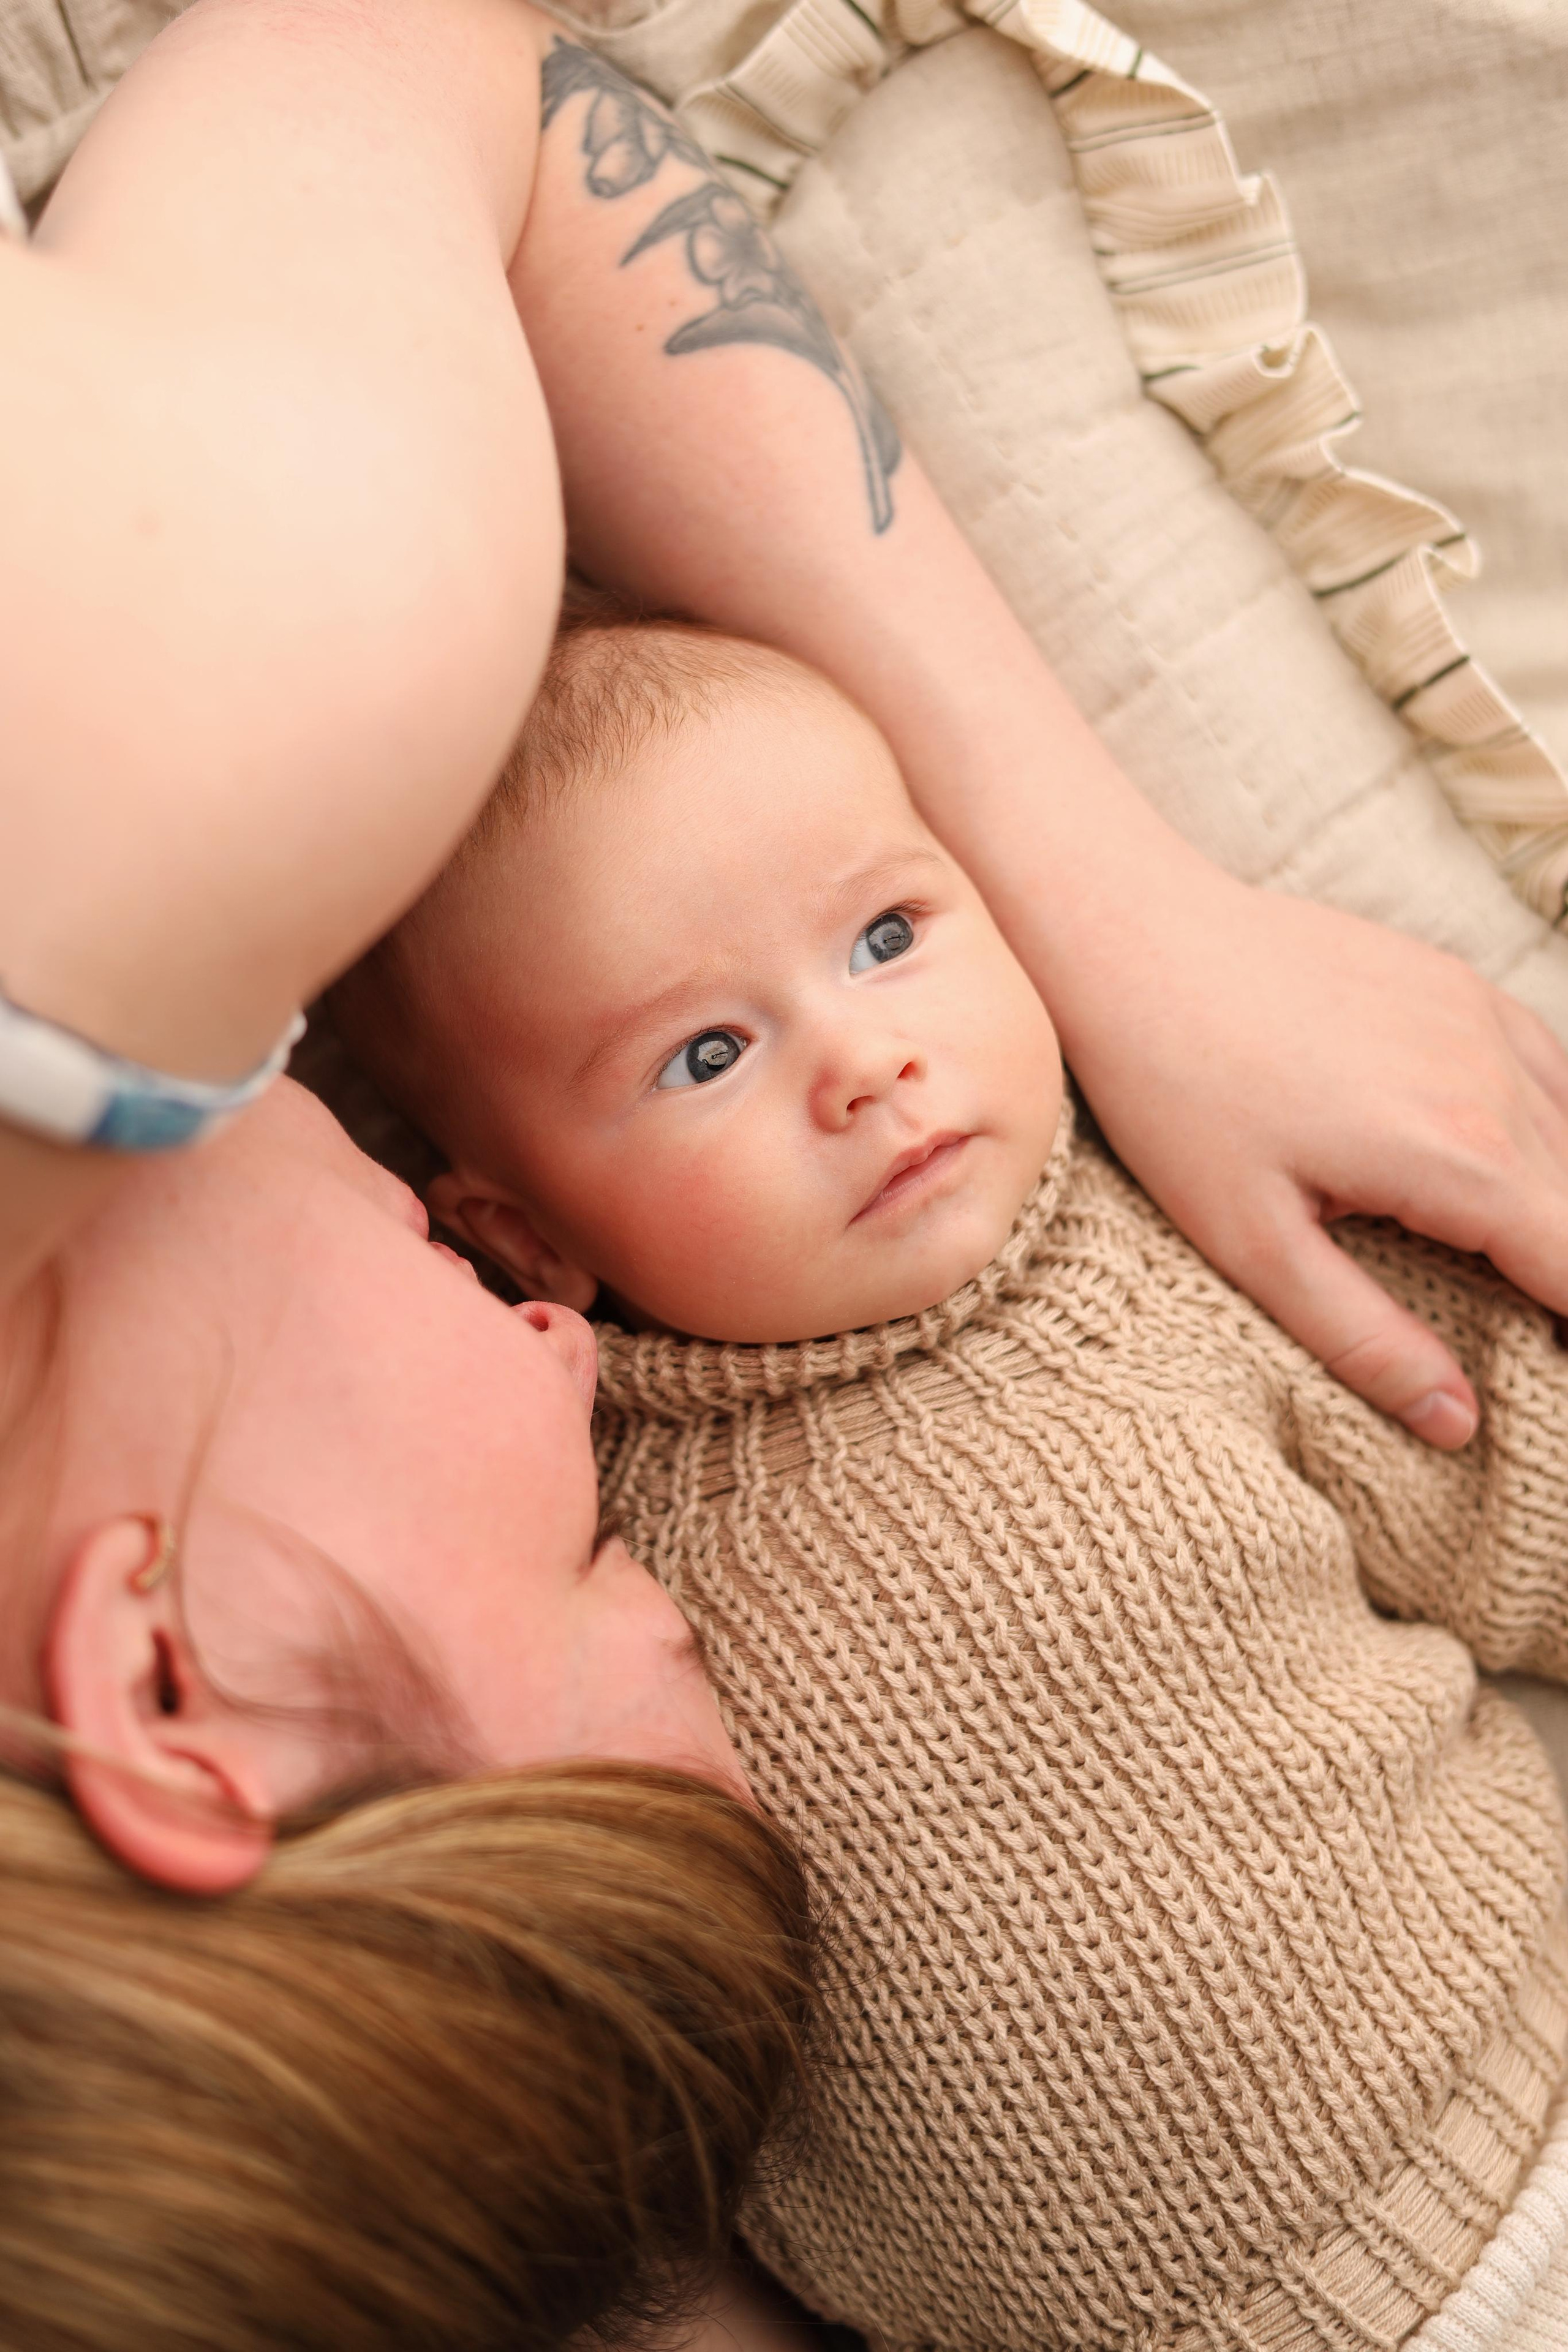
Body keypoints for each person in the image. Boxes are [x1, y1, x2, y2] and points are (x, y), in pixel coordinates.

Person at [2, 0, 1568, 2340]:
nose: (572, 1365)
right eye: (600, 1558)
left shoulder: (182, 757)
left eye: (579, 1561)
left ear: (152, 1674)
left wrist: (1112, 919)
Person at [333, 602, 1568, 2347]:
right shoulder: (568, 1533)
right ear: (528, 1237)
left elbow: (1518, 1488)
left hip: (1525, 2128)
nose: (864, 1066)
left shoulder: (1157, 1262)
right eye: (706, 1055)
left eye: (889, 936)